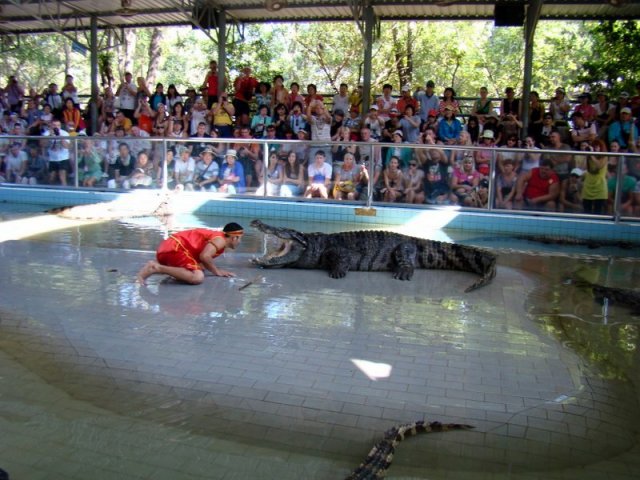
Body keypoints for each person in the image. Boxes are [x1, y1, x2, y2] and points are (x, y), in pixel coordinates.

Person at [136, 223, 244, 285]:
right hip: (176, 247)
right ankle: (155, 267)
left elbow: (202, 261)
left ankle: (151, 271)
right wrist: (217, 271)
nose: (240, 242)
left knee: (199, 268)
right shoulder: (220, 240)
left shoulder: (218, 237)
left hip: (169, 248)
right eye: (240, 239)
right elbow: (205, 256)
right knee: (197, 277)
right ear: (234, 238)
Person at [580, 139, 609, 215]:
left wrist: (592, 154)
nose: (595, 148)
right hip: (588, 186)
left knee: (598, 211)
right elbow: (582, 168)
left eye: (597, 147)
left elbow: (599, 165)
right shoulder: (589, 157)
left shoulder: (604, 157)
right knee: (586, 211)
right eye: (593, 147)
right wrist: (587, 155)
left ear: (601, 148)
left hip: (600, 187)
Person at [47, 119, 71, 186]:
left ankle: (66, 193)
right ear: (51, 126)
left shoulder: (65, 133)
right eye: (54, 125)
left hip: (63, 158)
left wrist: (61, 137)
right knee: (51, 178)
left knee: (62, 178)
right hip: (52, 158)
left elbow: (67, 146)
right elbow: (42, 145)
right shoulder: (47, 133)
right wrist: (49, 136)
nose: (56, 127)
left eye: (58, 125)